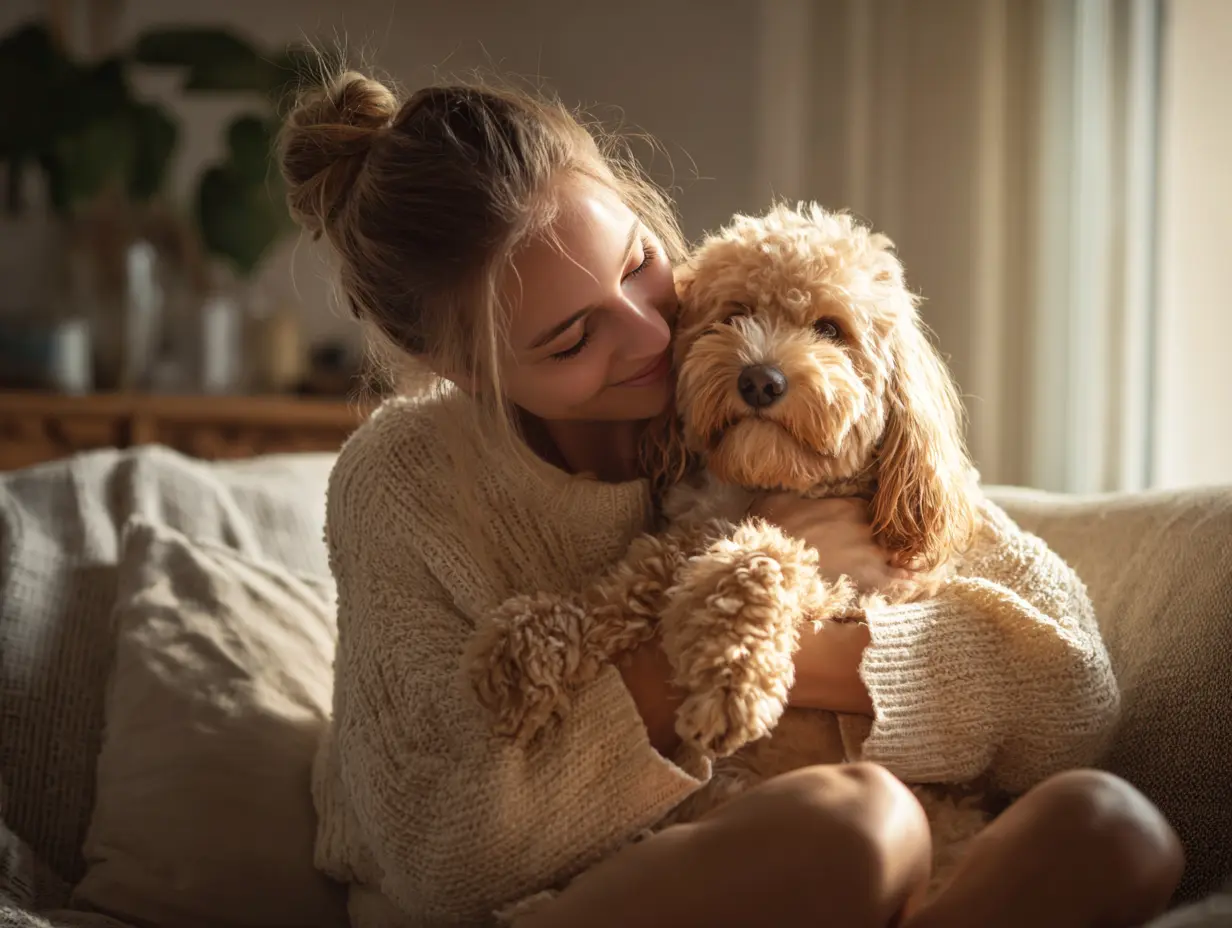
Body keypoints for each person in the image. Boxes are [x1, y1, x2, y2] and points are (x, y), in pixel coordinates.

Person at [279, 71, 1183, 928]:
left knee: (1110, 825)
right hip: (564, 900)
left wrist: (802, 634)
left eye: (637, 264)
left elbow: (1072, 700)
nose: (647, 335)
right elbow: (445, 854)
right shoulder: (400, 483)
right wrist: (704, 637)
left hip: (840, 874)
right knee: (858, 825)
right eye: (570, 337)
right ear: (461, 369)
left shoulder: (746, 366)